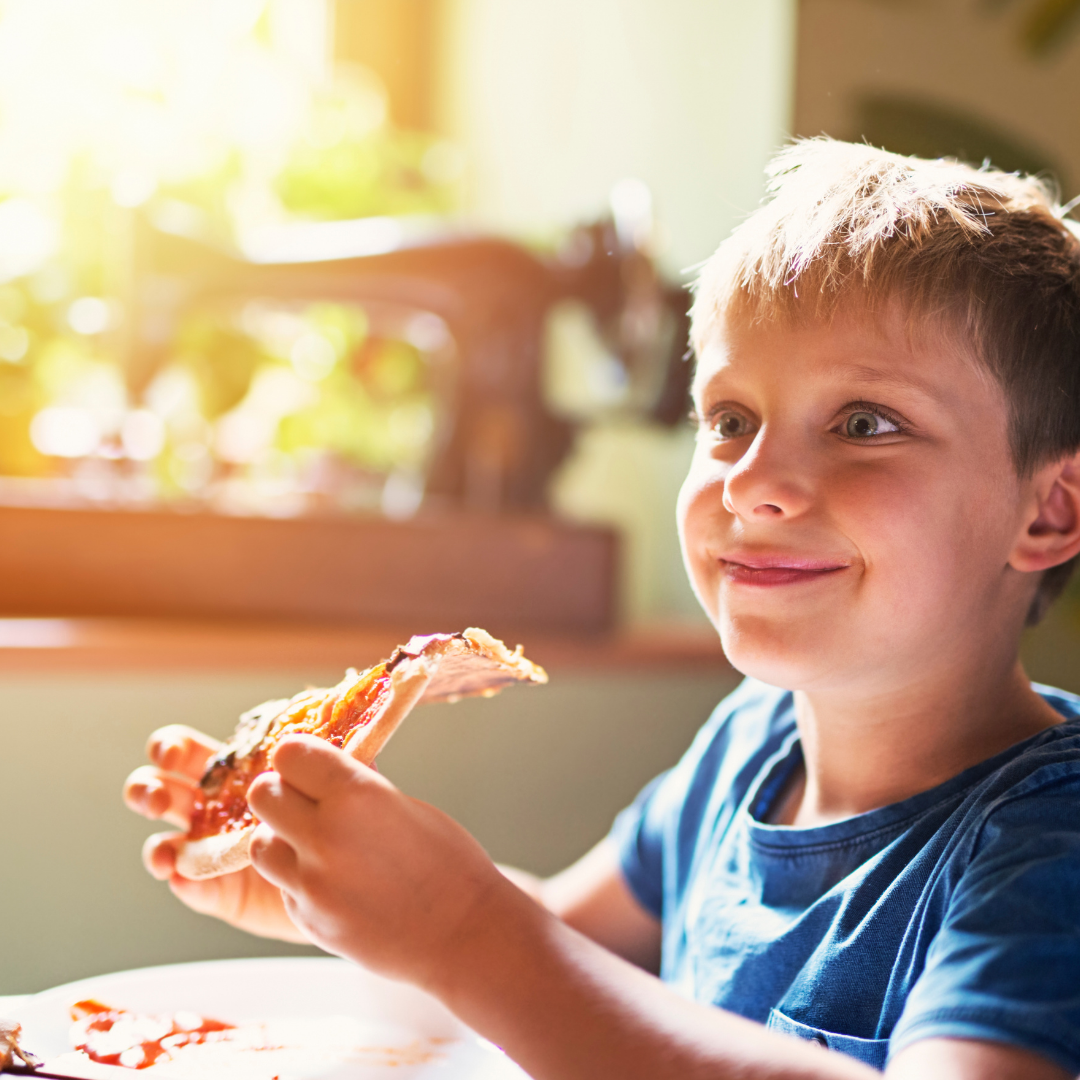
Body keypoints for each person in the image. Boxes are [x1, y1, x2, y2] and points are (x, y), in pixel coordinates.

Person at [124, 139, 1080, 1079]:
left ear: (1048, 511)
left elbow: (517, 957)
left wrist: (462, 930)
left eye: (864, 424)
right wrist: (336, 888)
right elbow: (568, 947)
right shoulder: (747, 747)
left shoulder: (1052, 841)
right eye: (731, 420)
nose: (753, 484)